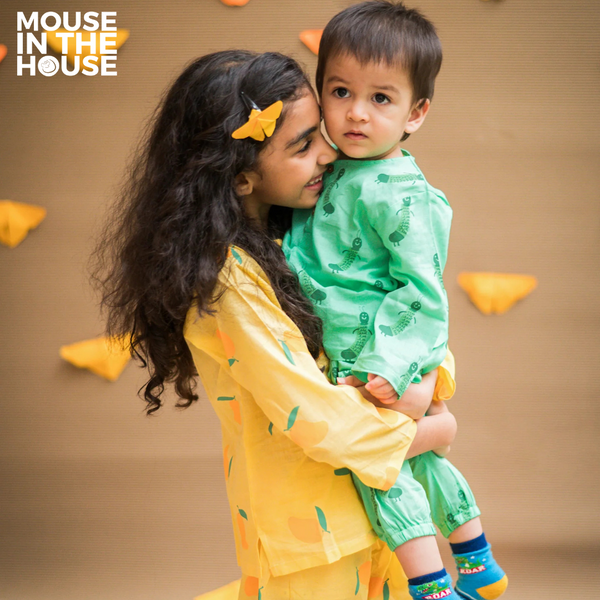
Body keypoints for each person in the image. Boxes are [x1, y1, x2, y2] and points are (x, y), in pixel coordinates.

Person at [93, 49, 458, 599]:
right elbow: (313, 416)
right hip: (311, 537)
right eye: (303, 145)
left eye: (321, 136)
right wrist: (431, 428)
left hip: (379, 514)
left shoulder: (300, 237)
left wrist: (425, 377)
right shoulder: (227, 280)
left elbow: (399, 307)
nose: (329, 154)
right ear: (242, 178)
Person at [283, 3, 507, 600]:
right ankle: (477, 561)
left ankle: (431, 587)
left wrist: (394, 365)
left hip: (379, 358)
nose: (356, 112)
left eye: (381, 98)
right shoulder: (330, 166)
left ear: (416, 113)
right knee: (419, 461)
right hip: (349, 353)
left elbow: (422, 292)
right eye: (340, 91)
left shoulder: (401, 193)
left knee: (376, 471)